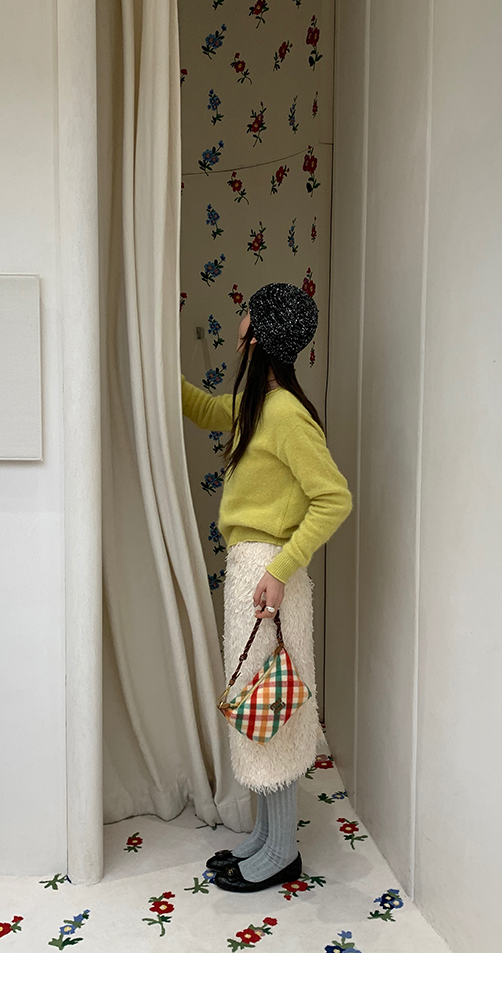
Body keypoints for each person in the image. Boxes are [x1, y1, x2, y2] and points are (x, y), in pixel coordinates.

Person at [180, 282, 353, 893]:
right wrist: (151, 369)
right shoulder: (259, 405)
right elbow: (207, 410)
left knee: (269, 705)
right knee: (262, 703)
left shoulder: (282, 413)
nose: (239, 319)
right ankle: (267, 835)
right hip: (257, 571)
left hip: (268, 572)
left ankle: (282, 850)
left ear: (258, 333)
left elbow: (334, 498)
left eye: (246, 312)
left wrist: (280, 571)